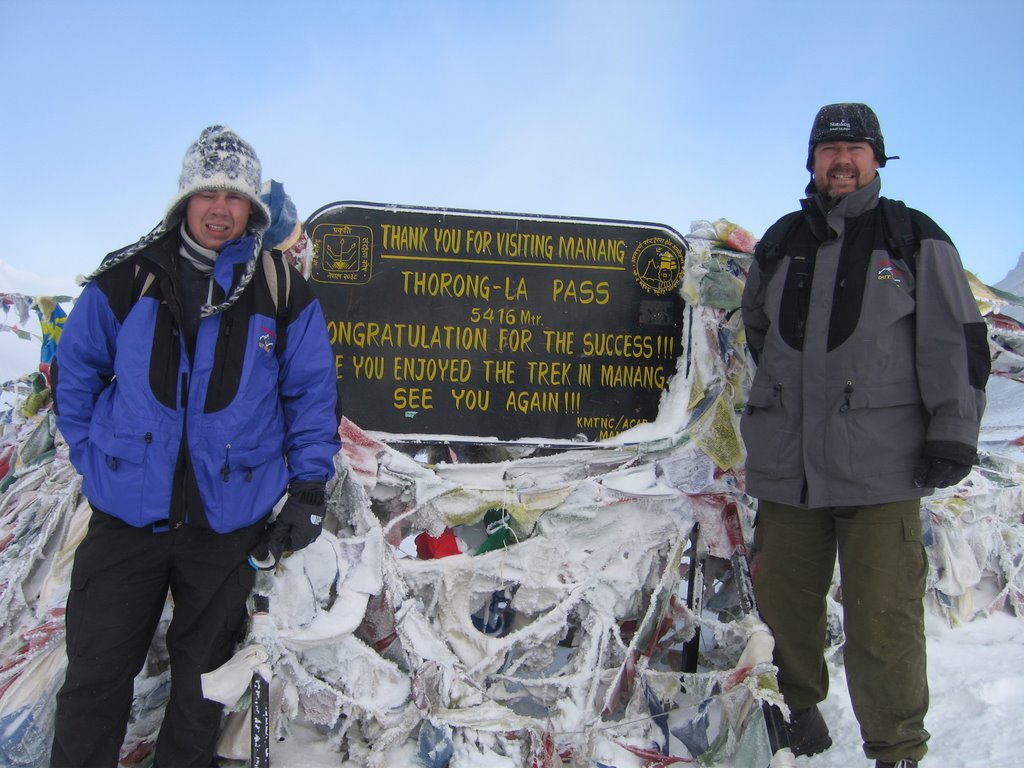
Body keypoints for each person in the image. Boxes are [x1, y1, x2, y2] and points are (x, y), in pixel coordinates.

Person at [50, 126, 342, 767]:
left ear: (253, 210)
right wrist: (91, 456)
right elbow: (74, 376)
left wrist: (310, 487)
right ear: (184, 200)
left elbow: (312, 395)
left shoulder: (283, 292)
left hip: (227, 526)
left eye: (234, 196)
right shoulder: (129, 279)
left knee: (204, 688)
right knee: (96, 679)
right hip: (127, 520)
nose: (219, 207)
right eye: (206, 191)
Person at [740, 103, 989, 768]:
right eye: (827, 150)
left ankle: (897, 748)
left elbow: (956, 339)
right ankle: (800, 712)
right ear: (812, 160)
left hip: (882, 467)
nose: (840, 161)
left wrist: (952, 433)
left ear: (877, 158)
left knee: (884, 621)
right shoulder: (781, 240)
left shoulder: (912, 236)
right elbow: (758, 334)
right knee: (782, 608)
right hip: (790, 470)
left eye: (854, 150)